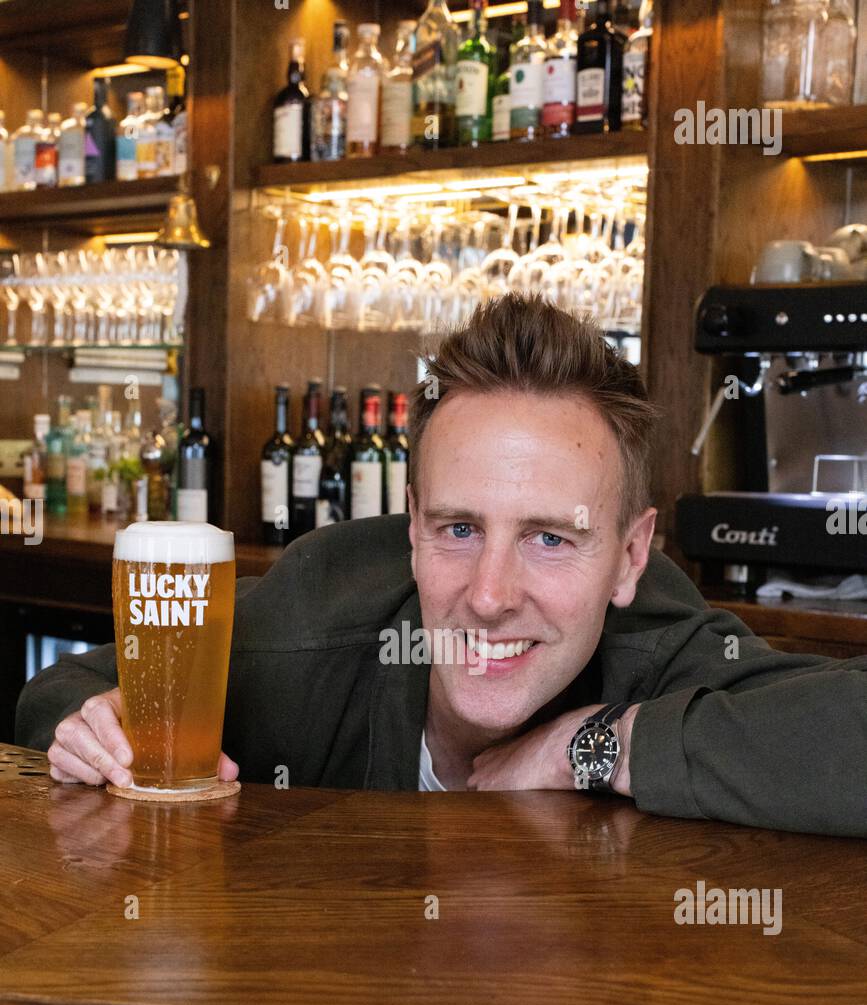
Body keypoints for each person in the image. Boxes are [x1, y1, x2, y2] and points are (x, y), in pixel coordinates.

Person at [15, 294, 867, 835]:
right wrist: (89, 729)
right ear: (411, 527)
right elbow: (68, 690)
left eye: (550, 538)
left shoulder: (663, 647)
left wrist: (593, 743)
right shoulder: (317, 616)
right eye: (459, 529)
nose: (490, 597)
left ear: (630, 556)